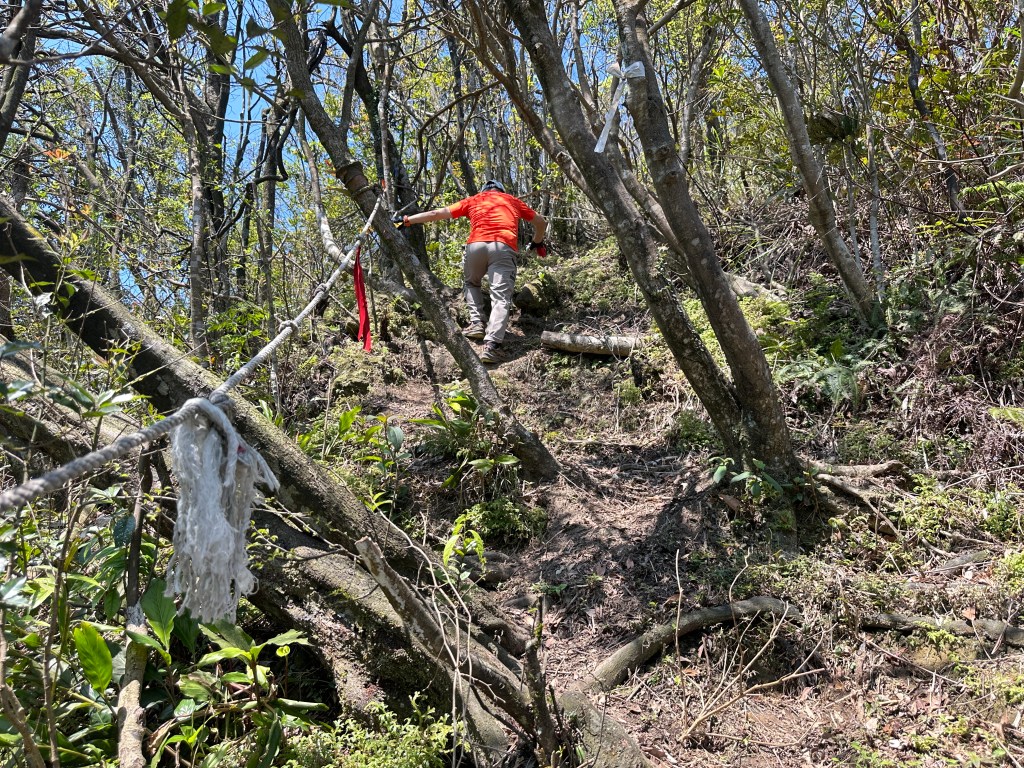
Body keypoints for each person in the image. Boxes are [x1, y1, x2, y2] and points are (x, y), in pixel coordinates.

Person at [394, 180, 547, 363]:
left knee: (471, 283)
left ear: (484, 191)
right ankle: (492, 346)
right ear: (501, 191)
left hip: (475, 247)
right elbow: (541, 222)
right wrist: (537, 241)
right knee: (500, 298)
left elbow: (437, 213)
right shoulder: (512, 200)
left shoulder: (474, 200)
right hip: (503, 247)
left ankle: (477, 323)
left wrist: (407, 220)